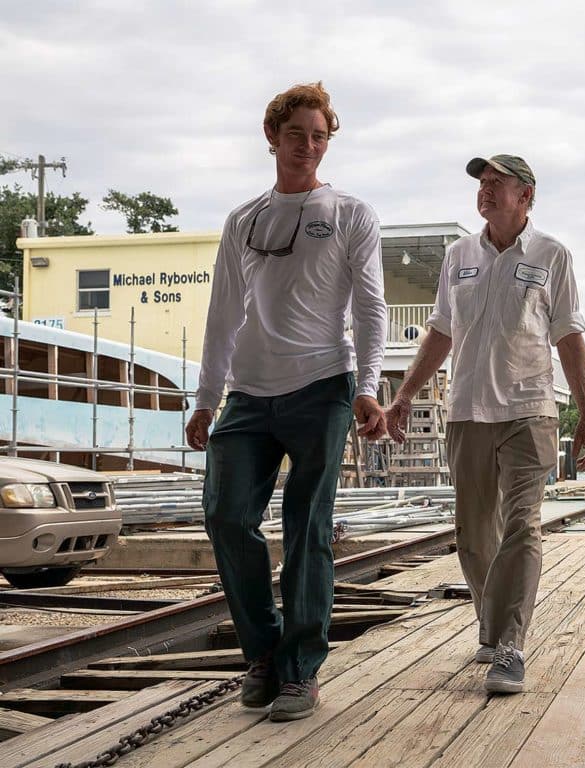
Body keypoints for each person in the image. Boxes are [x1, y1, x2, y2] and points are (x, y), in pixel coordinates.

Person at [185, 81, 387, 722]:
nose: (307, 145)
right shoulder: (243, 221)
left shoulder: (352, 213)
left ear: (329, 142)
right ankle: (263, 653)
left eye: (319, 135)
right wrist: (205, 399)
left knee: (307, 526)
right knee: (225, 516)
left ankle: (301, 672)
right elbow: (221, 315)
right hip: (247, 394)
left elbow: (371, 307)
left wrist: (367, 387)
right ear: (272, 136)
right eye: (296, 133)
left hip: (322, 387)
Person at [385, 154, 585, 694]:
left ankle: (510, 644)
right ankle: (492, 622)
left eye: (496, 184)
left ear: (526, 196)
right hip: (467, 412)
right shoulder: (459, 255)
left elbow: (569, 337)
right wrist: (406, 395)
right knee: (474, 536)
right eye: (482, 184)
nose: (485, 191)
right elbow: (440, 331)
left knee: (523, 525)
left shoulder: (552, 255)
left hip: (529, 411)